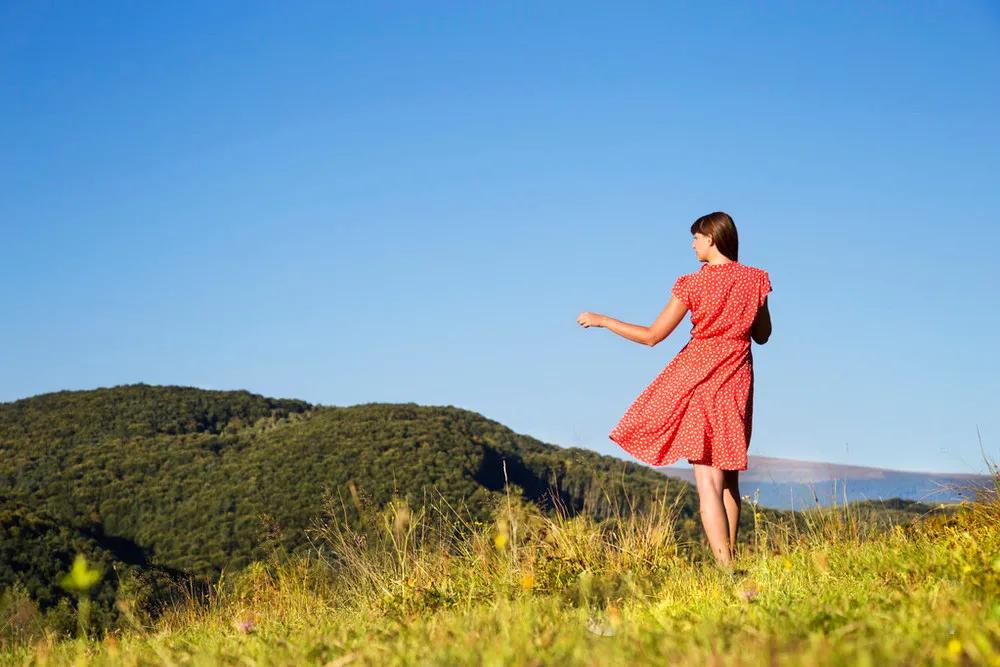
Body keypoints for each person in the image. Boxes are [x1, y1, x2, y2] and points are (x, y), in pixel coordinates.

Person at [576, 211, 772, 570]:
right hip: (737, 380)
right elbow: (762, 335)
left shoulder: (692, 284)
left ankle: (726, 571)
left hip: (698, 383)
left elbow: (653, 336)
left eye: (696, 238)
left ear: (711, 238)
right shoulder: (756, 280)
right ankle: (732, 561)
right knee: (729, 479)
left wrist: (604, 321)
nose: (693, 244)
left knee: (708, 484)